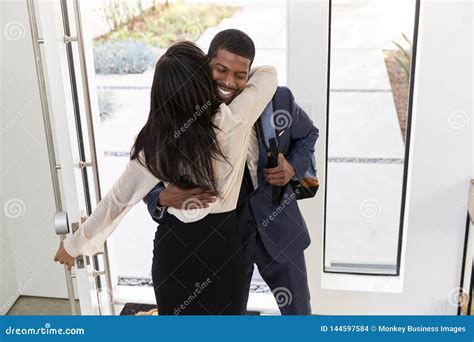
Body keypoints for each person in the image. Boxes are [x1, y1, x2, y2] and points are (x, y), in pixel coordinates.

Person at [53, 41, 278, 315]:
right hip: (223, 249)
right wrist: (230, 76)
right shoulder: (233, 120)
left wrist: (73, 245)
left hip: (173, 252)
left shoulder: (152, 144)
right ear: (203, 80)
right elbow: (268, 75)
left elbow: (116, 201)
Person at [144, 29, 319, 315]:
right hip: (225, 237)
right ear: (206, 64)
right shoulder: (184, 108)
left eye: (240, 74)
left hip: (278, 225)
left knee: (299, 313)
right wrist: (161, 198)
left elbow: (308, 134)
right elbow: (150, 168)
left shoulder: (278, 101)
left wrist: (292, 168)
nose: (229, 82)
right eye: (220, 69)